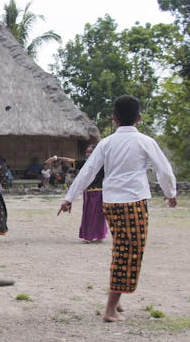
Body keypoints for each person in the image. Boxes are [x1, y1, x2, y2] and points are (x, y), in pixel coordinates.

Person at [59, 95, 177, 323]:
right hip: (133, 202)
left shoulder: (106, 144)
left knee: (120, 248)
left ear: (113, 119)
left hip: (111, 202)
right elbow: (164, 170)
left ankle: (117, 296)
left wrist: (69, 197)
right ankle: (110, 309)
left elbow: (88, 171)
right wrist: (170, 193)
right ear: (139, 118)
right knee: (129, 253)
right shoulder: (145, 141)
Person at [52, 146, 108, 243]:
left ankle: (99, 236)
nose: (89, 154)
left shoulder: (103, 163)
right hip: (88, 192)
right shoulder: (85, 163)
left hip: (99, 192)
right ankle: (89, 236)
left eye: (91, 152)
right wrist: (56, 158)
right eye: (87, 152)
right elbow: (70, 160)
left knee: (98, 214)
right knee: (89, 214)